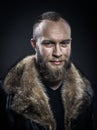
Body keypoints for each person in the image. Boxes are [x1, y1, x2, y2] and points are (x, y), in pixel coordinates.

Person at [0, 11, 94, 130]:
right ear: (34, 44)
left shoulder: (86, 93)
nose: (58, 53)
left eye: (64, 43)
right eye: (48, 43)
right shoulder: (7, 94)